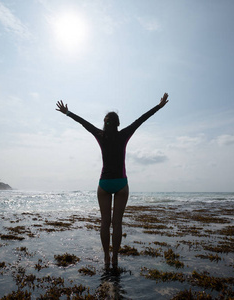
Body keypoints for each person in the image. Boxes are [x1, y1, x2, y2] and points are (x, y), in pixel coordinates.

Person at [56, 93, 169, 269]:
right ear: (118, 124)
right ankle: (115, 257)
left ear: (104, 122)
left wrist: (68, 113)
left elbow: (84, 123)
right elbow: (141, 120)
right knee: (117, 223)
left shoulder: (100, 135)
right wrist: (158, 106)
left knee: (105, 222)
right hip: (121, 184)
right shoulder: (124, 134)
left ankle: (106, 258)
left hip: (104, 184)